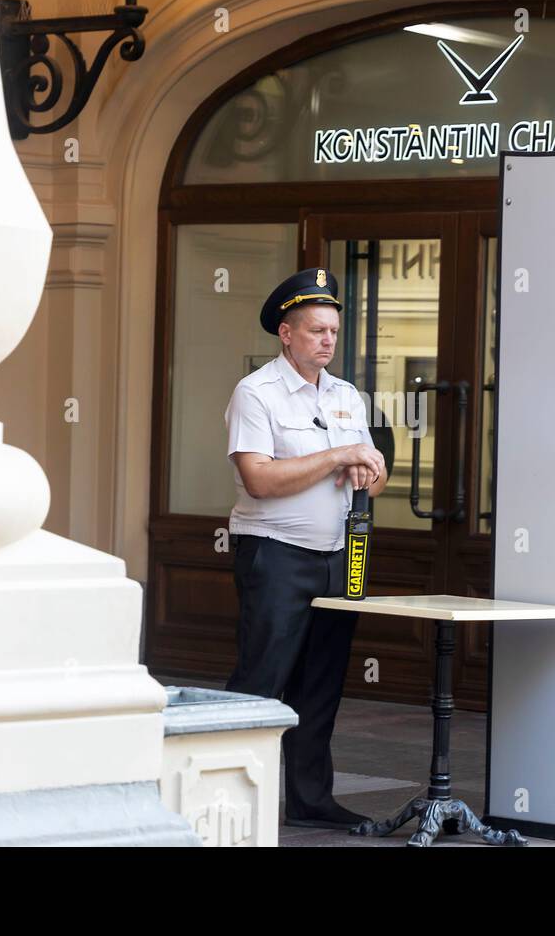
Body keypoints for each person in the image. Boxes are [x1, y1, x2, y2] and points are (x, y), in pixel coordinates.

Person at [224, 267, 388, 830]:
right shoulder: (256, 393)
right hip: (275, 554)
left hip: (338, 555)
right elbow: (260, 480)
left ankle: (311, 801)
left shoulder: (345, 396)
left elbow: (369, 473)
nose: (327, 341)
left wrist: (373, 466)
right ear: (286, 334)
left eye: (334, 332)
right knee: (262, 680)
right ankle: (229, 795)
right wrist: (338, 458)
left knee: (321, 685)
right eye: (316, 330)